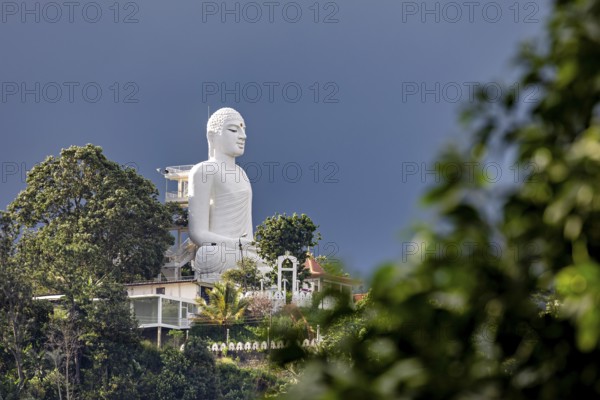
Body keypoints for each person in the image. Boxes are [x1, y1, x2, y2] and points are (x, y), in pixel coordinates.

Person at [188, 107, 258, 282]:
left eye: (243, 130)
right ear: (212, 136)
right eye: (234, 130)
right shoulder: (204, 170)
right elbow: (197, 233)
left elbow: (247, 233)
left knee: (267, 260)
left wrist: (248, 246)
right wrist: (236, 244)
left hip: (245, 252)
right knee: (207, 254)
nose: (243, 136)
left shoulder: (242, 174)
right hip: (219, 252)